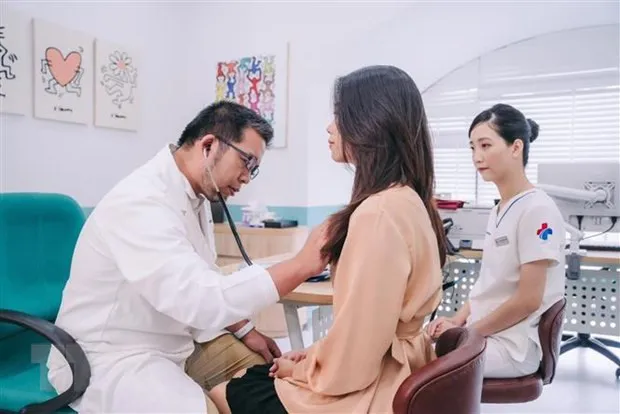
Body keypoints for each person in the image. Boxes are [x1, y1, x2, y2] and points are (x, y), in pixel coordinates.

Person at [45, 101, 329, 413]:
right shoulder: (140, 202)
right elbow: (201, 300)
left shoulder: (196, 196)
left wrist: (246, 330)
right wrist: (301, 265)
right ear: (209, 145)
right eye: (246, 162)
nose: (247, 178)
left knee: (262, 380)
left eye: (254, 169)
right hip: (110, 356)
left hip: (175, 341)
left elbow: (203, 276)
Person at [208, 65, 448, 414]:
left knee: (222, 394)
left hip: (374, 388)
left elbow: (356, 358)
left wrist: (302, 369)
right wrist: (317, 354)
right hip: (396, 371)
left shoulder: (377, 214)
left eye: (338, 115)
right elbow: (368, 332)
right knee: (254, 378)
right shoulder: (411, 200)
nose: (329, 126)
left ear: (370, 122)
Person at [427, 103, 566, 378]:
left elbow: (528, 300)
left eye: (486, 145)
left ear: (516, 148)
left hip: (513, 347)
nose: (477, 157)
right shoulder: (500, 209)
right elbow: (487, 283)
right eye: (472, 148)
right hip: (488, 333)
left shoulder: (537, 210)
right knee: (412, 351)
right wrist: (457, 319)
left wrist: (466, 333)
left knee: (414, 363)